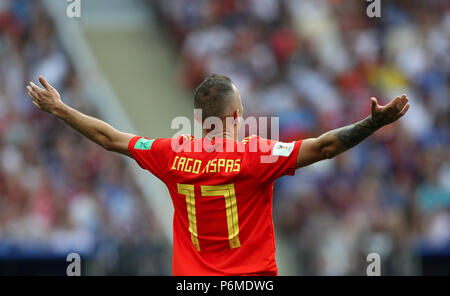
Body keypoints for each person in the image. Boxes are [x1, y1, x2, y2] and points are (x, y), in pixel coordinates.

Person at [26, 74, 409, 275]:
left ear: (198, 120)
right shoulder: (255, 154)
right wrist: (373, 123)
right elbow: (326, 146)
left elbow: (109, 137)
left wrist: (60, 109)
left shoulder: (169, 153)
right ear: (235, 116)